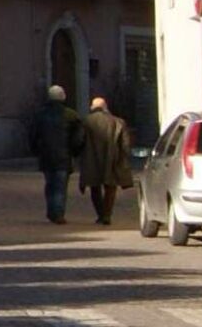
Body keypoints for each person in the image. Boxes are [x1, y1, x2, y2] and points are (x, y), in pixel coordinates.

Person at [27, 83, 84, 224]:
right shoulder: (71, 115)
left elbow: (33, 135)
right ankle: (58, 213)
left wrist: (35, 150)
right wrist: (75, 152)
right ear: (63, 97)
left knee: (50, 184)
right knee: (60, 186)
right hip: (64, 157)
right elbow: (79, 137)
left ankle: (52, 211)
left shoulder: (40, 115)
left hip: (46, 156)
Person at [79, 94, 134, 226]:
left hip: (91, 159)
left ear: (93, 107)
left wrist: (78, 153)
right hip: (112, 158)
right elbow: (126, 144)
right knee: (110, 187)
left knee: (94, 186)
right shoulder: (118, 122)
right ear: (106, 107)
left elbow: (79, 140)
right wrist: (124, 158)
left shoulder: (86, 121)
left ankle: (100, 213)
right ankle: (107, 214)